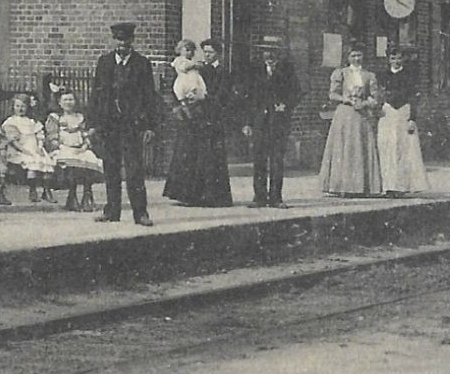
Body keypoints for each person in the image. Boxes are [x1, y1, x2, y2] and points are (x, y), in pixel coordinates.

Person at [90, 21, 161, 225]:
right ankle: (112, 211)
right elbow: (96, 94)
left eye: (126, 42)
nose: (122, 47)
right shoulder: (104, 62)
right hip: (109, 124)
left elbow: (149, 97)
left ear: (132, 42)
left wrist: (150, 126)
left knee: (134, 170)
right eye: (119, 42)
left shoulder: (141, 64)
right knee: (110, 169)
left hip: (132, 125)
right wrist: (93, 124)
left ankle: (140, 213)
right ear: (115, 42)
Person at [164, 37, 234, 207]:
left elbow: (224, 96)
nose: (207, 56)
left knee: (212, 158)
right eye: (206, 52)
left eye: (211, 52)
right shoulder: (200, 70)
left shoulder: (223, 72)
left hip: (213, 118)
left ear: (219, 54)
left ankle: (214, 196)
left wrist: (205, 97)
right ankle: (191, 195)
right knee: (194, 156)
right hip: (197, 118)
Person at [243, 35, 303, 208]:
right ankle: (259, 197)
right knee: (259, 159)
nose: (269, 56)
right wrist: (247, 123)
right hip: (259, 122)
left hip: (279, 123)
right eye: (266, 51)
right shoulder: (254, 70)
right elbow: (248, 98)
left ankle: (276, 197)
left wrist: (286, 105)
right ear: (262, 53)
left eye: (273, 52)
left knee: (277, 159)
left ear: (279, 54)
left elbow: (297, 93)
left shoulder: (287, 70)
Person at [317, 47, 384, 197]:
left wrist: (365, 103)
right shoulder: (341, 73)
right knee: (344, 148)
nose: (356, 59)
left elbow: (375, 97)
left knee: (360, 147)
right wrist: (345, 99)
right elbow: (332, 94)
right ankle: (341, 186)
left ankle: (362, 186)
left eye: (359, 55)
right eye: (353, 55)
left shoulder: (369, 75)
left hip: (361, 115)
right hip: (345, 114)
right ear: (348, 57)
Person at [376, 48, 429, 196]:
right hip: (388, 113)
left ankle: (402, 186)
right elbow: (377, 94)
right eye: (393, 58)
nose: (396, 61)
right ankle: (388, 186)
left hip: (403, 112)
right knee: (387, 147)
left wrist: (412, 119)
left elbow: (413, 98)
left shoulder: (410, 76)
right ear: (388, 60)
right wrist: (378, 108)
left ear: (403, 59)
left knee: (404, 149)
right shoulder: (382, 76)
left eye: (399, 58)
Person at [47, 89, 103, 212]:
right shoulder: (56, 117)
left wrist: (85, 146)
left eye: (71, 99)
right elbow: (53, 136)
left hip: (80, 148)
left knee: (88, 162)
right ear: (59, 102)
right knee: (71, 166)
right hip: (64, 148)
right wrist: (58, 146)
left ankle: (87, 195)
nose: (68, 102)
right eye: (65, 100)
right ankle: (72, 196)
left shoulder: (80, 117)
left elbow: (85, 134)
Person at [4, 92, 56, 203]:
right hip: (21, 148)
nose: (20, 109)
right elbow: (13, 141)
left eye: (23, 106)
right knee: (32, 166)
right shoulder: (11, 121)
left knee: (47, 166)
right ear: (13, 107)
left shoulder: (32, 121)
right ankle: (33, 191)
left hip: (35, 146)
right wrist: (25, 151)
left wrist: (40, 146)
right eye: (17, 106)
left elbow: (39, 134)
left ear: (28, 107)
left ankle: (46, 191)